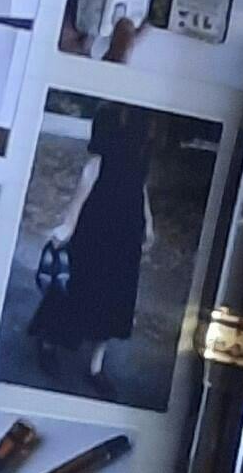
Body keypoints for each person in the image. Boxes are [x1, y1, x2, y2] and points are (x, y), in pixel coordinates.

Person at [25, 101, 156, 391]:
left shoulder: (137, 162)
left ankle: (95, 367)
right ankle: (48, 343)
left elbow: (141, 189)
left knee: (115, 299)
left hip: (126, 237)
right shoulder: (98, 163)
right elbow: (79, 200)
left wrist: (148, 223)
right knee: (75, 290)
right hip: (93, 236)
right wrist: (66, 230)